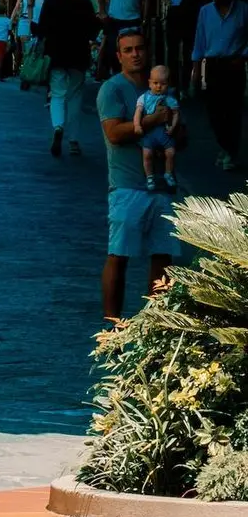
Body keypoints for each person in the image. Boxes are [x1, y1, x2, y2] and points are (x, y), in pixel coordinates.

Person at [97, 28, 183, 321]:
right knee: (118, 256)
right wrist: (152, 121)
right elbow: (114, 133)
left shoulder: (163, 88)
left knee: (163, 258)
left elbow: (182, 136)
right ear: (119, 55)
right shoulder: (112, 89)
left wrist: (173, 127)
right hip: (126, 186)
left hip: (162, 186)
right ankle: (111, 328)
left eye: (140, 48)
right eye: (129, 50)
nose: (135, 54)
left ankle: (158, 327)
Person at [37, 0, 100, 158]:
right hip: (78, 55)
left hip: (56, 54)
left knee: (57, 94)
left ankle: (58, 127)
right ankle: (73, 140)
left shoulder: (50, 1)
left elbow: (42, 29)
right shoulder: (85, 4)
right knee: (75, 97)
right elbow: (92, 32)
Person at [191, 0, 248, 171]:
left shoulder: (243, 11)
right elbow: (200, 41)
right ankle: (225, 147)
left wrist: (243, 56)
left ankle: (230, 152)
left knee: (232, 111)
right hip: (213, 66)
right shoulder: (206, 12)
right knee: (214, 111)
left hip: (233, 65)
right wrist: (195, 72)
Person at [134, 65, 180, 192]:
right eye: (155, 83)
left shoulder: (169, 99)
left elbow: (176, 113)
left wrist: (172, 127)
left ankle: (168, 173)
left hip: (163, 132)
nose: (158, 86)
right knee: (147, 154)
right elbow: (138, 112)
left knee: (170, 152)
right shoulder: (144, 98)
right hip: (149, 133)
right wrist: (137, 125)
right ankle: (149, 176)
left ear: (168, 85)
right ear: (149, 83)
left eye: (163, 84)